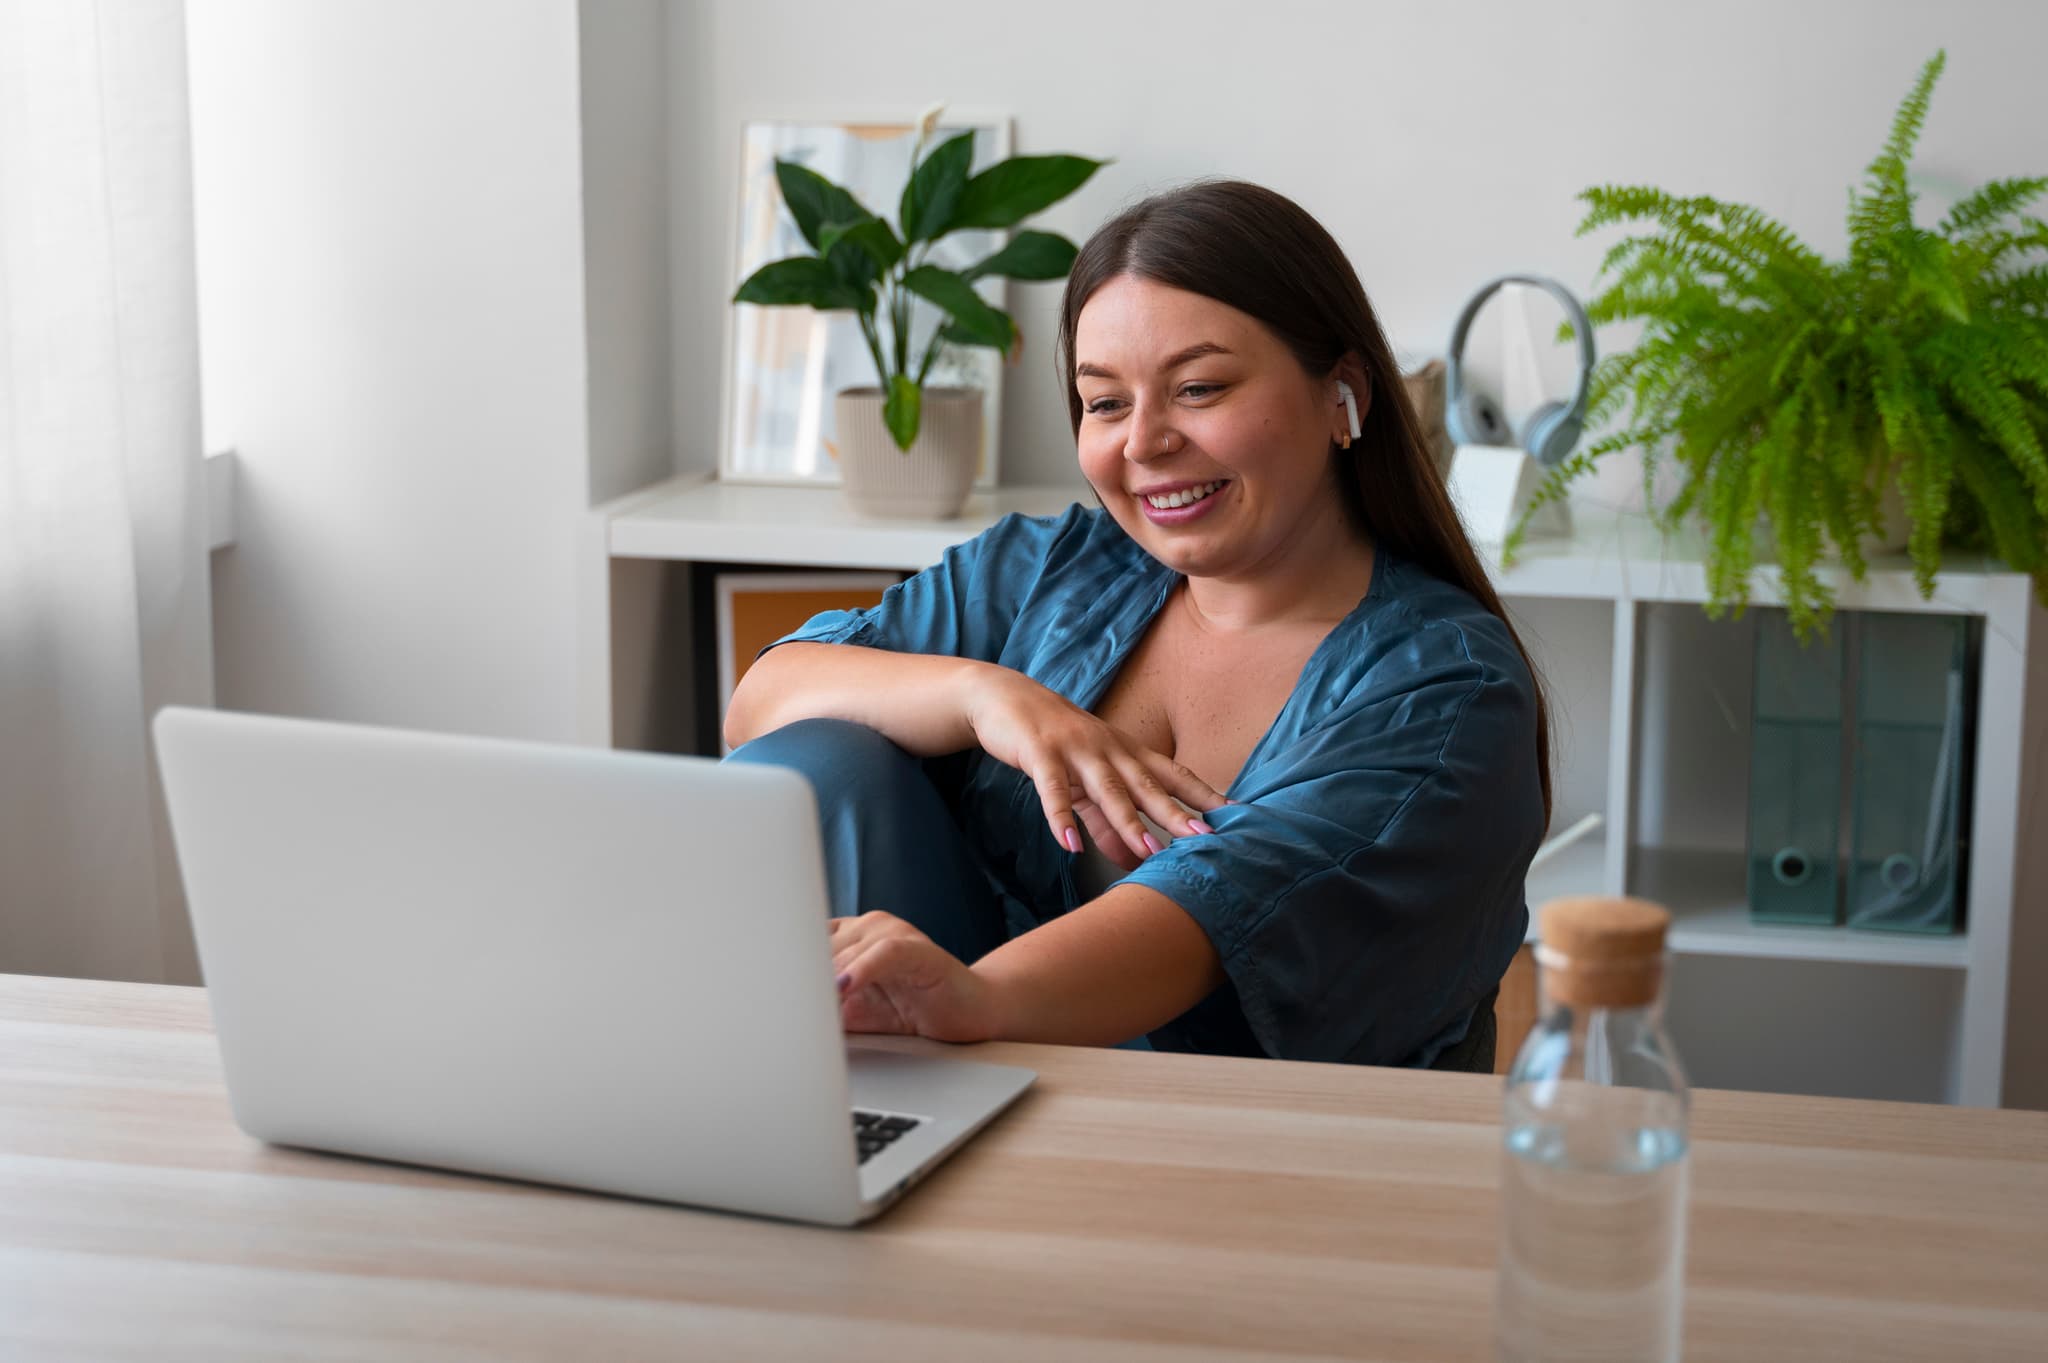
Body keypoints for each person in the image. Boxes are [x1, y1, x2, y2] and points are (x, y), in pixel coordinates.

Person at [724, 180, 1550, 1071]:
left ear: (1341, 394)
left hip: (1250, 1135)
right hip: (963, 1063)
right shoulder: (1054, 568)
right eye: (1106, 403)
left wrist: (973, 999)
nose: (1144, 442)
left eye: (1198, 388)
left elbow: (1209, 916)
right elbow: (759, 701)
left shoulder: (1449, 684)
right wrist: (983, 694)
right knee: (814, 759)